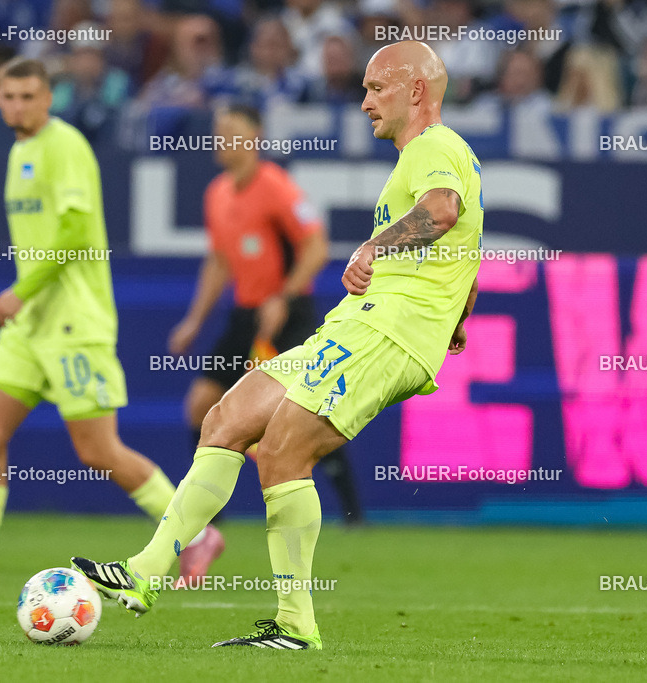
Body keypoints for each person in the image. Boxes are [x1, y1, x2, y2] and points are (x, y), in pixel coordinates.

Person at [73, 40, 483, 650]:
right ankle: (146, 570)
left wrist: (374, 247)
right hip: (360, 324)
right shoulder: (434, 156)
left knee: (284, 451)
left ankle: (295, 625)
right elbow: (466, 251)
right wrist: (457, 315)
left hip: (386, 331)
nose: (365, 102)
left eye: (377, 89)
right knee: (225, 419)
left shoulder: (433, 146)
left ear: (416, 90)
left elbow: (443, 212)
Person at [0, 58, 219, 585]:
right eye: (9, 96)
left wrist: (20, 290)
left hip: (74, 322)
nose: (18, 106)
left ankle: (196, 535)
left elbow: (77, 232)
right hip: (30, 327)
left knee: (97, 450)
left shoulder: (66, 145)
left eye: (28, 96)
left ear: (48, 98)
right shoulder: (21, 151)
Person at [170, 103, 364, 528]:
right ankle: (208, 518)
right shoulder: (217, 193)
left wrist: (284, 296)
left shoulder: (277, 186)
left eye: (232, 131)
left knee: (311, 414)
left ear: (255, 137)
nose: (222, 139)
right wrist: (194, 321)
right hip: (246, 315)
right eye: (219, 131)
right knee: (200, 407)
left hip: (288, 315)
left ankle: (354, 514)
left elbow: (316, 248)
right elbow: (219, 262)